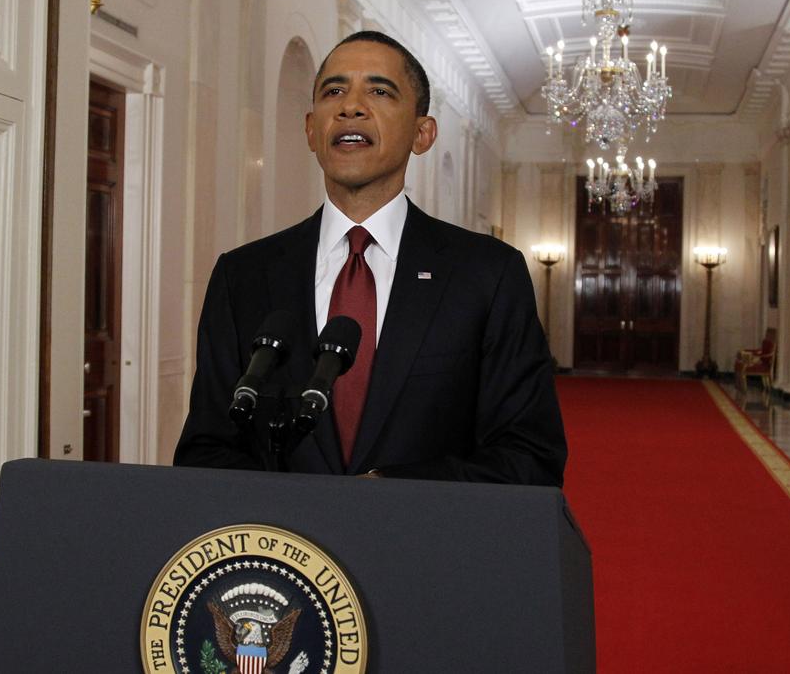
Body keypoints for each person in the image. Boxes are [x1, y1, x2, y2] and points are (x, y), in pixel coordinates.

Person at [173, 31, 565, 486]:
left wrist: (387, 494)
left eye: (379, 92)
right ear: (311, 130)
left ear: (422, 133)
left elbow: (529, 455)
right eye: (334, 91)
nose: (350, 107)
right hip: (279, 534)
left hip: (423, 531)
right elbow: (205, 450)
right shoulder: (242, 276)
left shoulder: (488, 274)